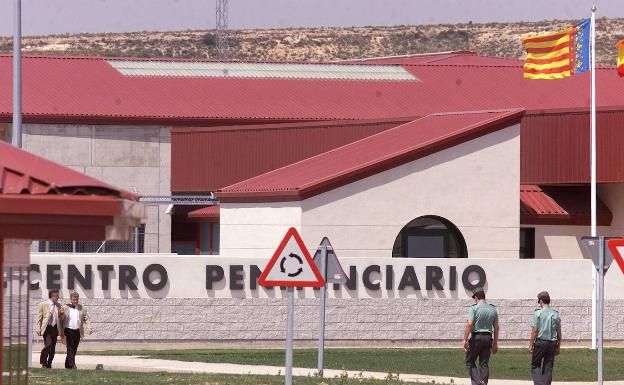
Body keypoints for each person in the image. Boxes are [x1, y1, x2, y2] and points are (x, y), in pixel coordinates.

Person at [462, 287, 499, 385]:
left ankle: (477, 383)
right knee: (484, 364)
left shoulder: (474, 308)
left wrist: (465, 340)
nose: (474, 299)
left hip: (476, 338)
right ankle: (483, 383)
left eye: (474, 297)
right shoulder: (493, 309)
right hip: (488, 338)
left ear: (477, 296)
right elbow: (496, 327)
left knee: (469, 361)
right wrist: (495, 343)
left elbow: (469, 324)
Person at [529, 291, 561, 385]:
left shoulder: (538, 313)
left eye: (539, 302)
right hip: (552, 343)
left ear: (541, 301)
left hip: (540, 342)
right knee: (548, 367)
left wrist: (531, 344)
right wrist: (558, 346)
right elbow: (559, 333)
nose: (539, 304)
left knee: (535, 365)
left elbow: (534, 330)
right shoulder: (555, 314)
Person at [62, 291, 93, 369]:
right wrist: (60, 313)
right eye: (74, 299)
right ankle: (73, 365)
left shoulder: (81, 308)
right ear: (71, 299)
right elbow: (60, 317)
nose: (75, 301)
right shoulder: (65, 307)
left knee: (74, 348)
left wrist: (89, 327)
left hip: (77, 331)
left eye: (76, 299)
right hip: (68, 330)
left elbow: (86, 318)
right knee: (70, 347)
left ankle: (67, 365)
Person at [36, 289, 65, 368]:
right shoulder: (43, 304)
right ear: (52, 296)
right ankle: (43, 362)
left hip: (55, 328)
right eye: (56, 296)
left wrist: (62, 314)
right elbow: (39, 317)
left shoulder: (59, 305)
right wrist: (38, 328)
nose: (57, 297)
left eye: (58, 296)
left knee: (52, 348)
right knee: (48, 345)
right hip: (47, 328)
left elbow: (61, 318)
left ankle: (49, 363)